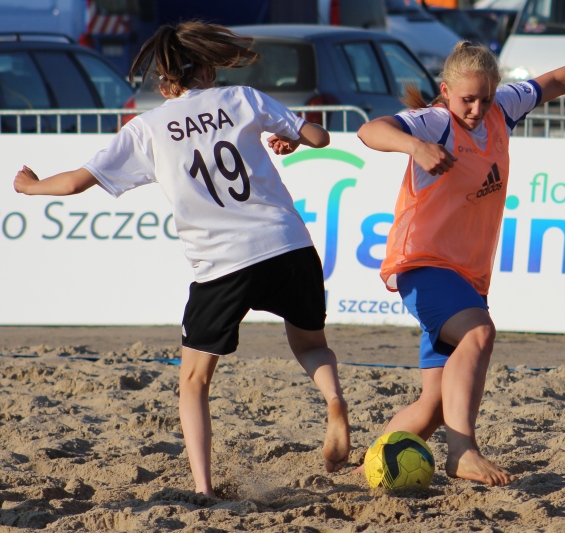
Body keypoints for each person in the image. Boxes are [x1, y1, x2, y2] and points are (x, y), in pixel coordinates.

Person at [13, 21, 351, 497]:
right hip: (288, 244)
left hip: (222, 264)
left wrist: (30, 185)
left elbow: (74, 182)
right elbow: (320, 138)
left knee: (193, 380)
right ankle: (334, 401)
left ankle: (204, 488)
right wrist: (293, 138)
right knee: (311, 345)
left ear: (163, 82)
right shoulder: (243, 99)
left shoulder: (147, 128)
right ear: (209, 68)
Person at [356, 38, 565, 486]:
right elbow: (370, 130)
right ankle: (463, 452)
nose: (477, 109)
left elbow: (557, 80)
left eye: (485, 98)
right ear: (445, 92)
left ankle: (373, 464)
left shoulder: (502, 108)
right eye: (467, 100)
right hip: (422, 264)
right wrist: (412, 147)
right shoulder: (433, 123)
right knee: (480, 332)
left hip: (467, 273)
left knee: (436, 404)